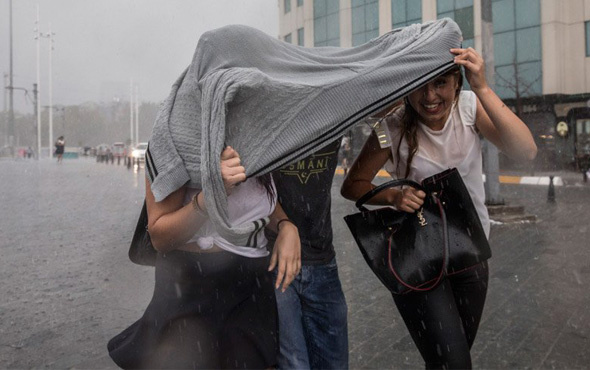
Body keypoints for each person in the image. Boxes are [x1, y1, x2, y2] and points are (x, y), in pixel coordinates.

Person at [341, 47, 537, 369]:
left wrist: (483, 87)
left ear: (456, 84)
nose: (430, 96)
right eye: (420, 86)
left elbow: (526, 151)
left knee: (448, 360)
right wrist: (392, 196)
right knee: (455, 363)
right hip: (418, 259)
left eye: (441, 84)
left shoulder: (470, 108)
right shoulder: (390, 127)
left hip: (471, 253)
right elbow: (352, 185)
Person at [108, 146, 301, 369]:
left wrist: (286, 226)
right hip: (191, 285)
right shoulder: (175, 133)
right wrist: (211, 195)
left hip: (251, 285)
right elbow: (160, 237)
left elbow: (258, 195)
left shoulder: (258, 131)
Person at [265, 139, 349, 369]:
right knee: (294, 363)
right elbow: (252, 185)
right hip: (273, 259)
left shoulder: (334, 112)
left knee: (335, 363)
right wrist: (284, 223)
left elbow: (384, 109)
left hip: (323, 259)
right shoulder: (264, 117)